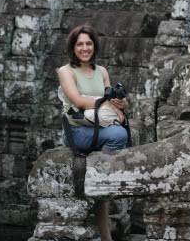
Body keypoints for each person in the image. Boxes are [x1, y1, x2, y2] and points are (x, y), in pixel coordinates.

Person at [58, 25, 128, 241]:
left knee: (120, 133)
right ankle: (95, 185)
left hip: (99, 129)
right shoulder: (66, 71)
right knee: (119, 136)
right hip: (76, 130)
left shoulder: (102, 71)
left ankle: (105, 234)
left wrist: (121, 103)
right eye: (80, 44)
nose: (85, 48)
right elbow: (77, 100)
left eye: (88, 43)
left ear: (94, 46)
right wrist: (108, 104)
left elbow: (112, 102)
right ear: (73, 47)